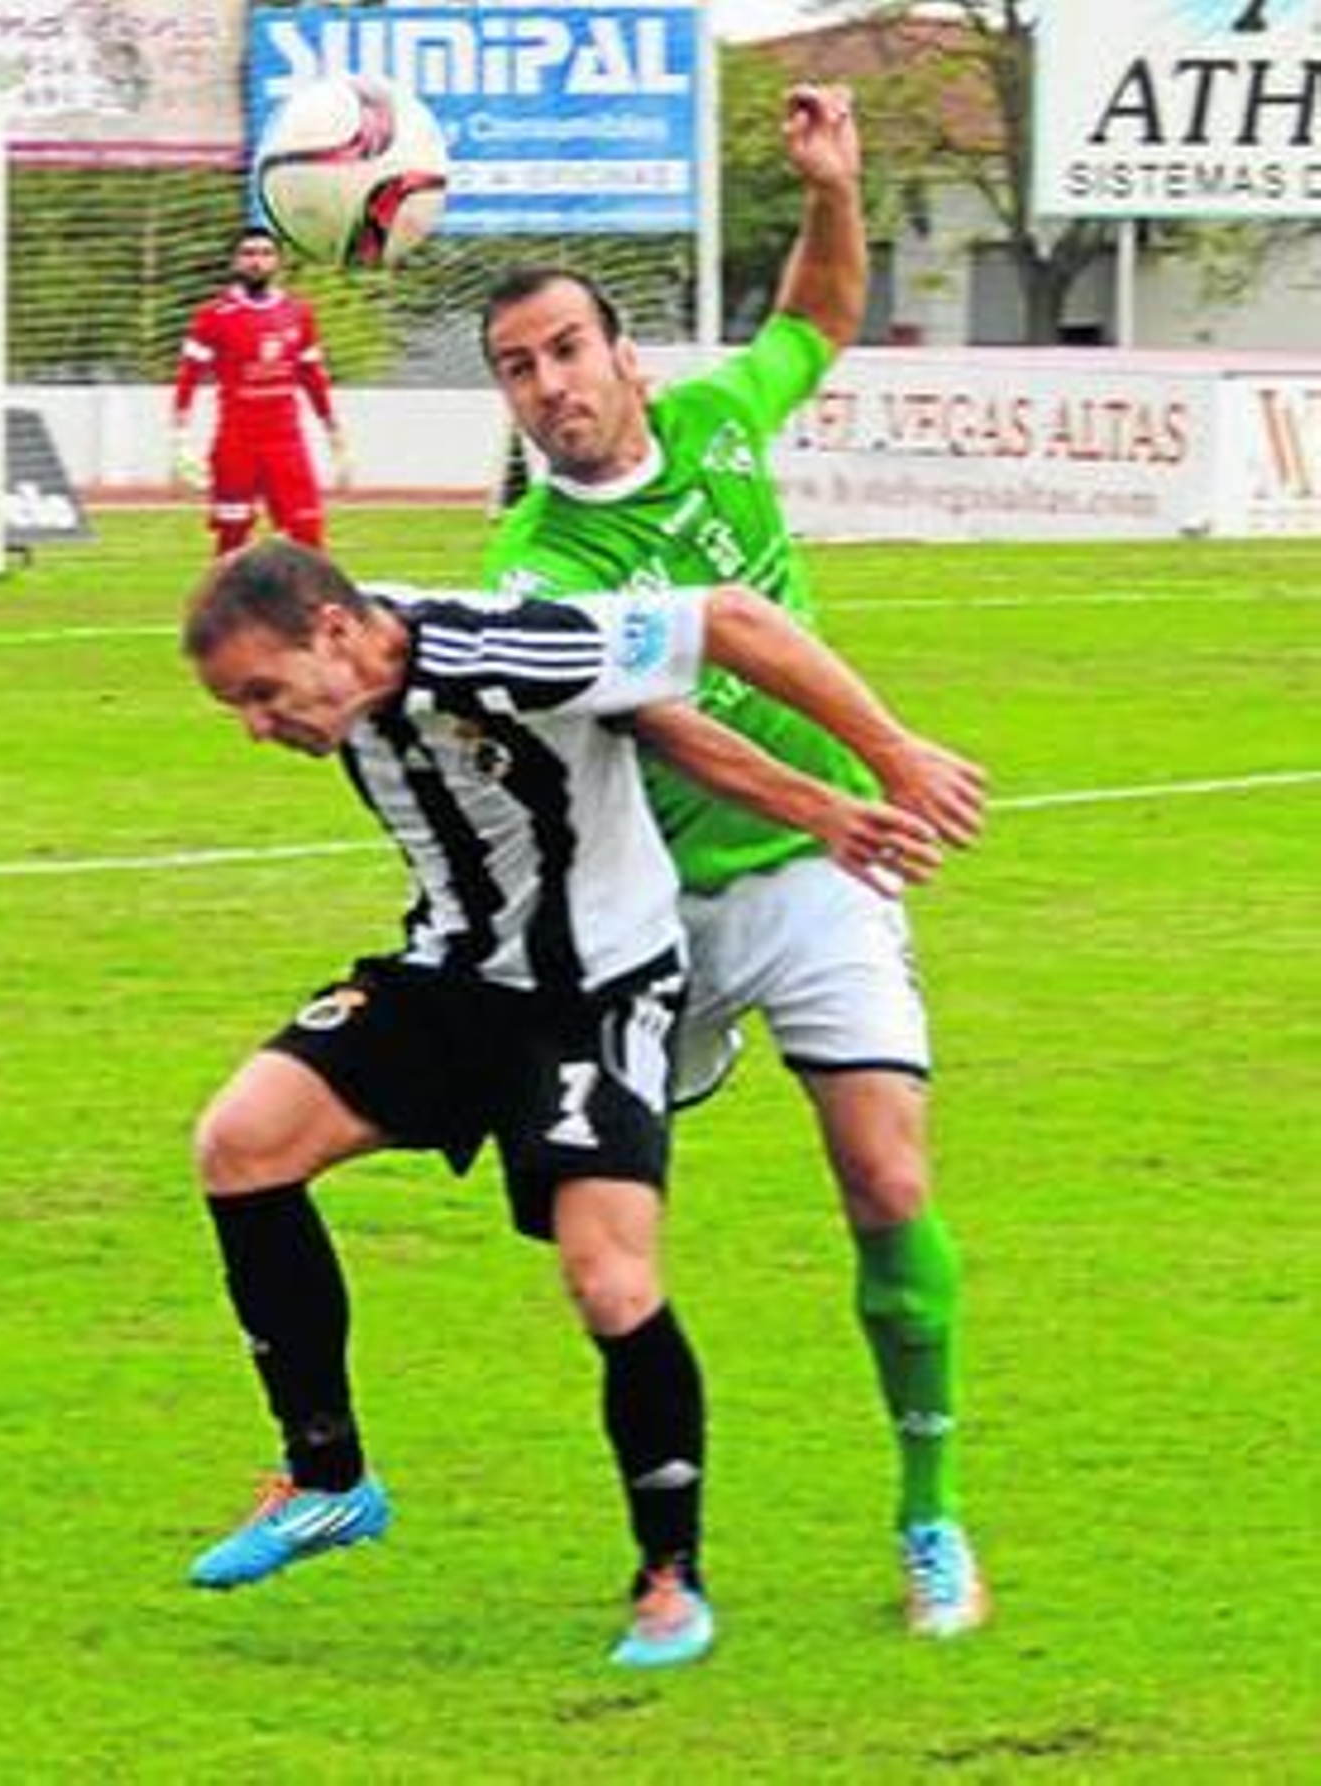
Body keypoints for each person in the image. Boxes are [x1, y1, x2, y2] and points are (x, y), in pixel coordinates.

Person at [181, 538, 981, 1667]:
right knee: (239, 1143)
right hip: (452, 976)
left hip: (593, 993)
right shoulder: (367, 641)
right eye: (235, 707)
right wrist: (813, 803)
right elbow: (642, 716)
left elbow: (728, 622)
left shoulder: (502, 645)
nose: (257, 728)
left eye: (261, 696)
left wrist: (871, 773)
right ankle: (328, 1479)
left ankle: (670, 1579)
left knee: (608, 1276)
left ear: (331, 633)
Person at [480, 84, 991, 1638]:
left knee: (887, 1170)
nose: (551, 384)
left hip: (815, 889)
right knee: (608, 1235)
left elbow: (818, 321)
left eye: (569, 349)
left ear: (625, 357)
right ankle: (670, 1531)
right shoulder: (534, 567)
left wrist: (836, 184)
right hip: (648, 920)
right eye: (518, 368)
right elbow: (675, 729)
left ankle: (930, 1515)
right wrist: (837, 797)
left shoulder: (713, 423)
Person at [172, 227, 348, 556]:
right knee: (232, 538)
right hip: (235, 444)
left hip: (286, 443)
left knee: (307, 533)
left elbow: (313, 378)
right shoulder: (213, 316)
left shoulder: (298, 313)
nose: (257, 261)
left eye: (265, 253)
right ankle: (225, 606)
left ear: (278, 262)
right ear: (235, 262)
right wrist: (179, 439)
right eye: (249, 253)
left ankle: (307, 606)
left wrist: (334, 435)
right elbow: (188, 376)